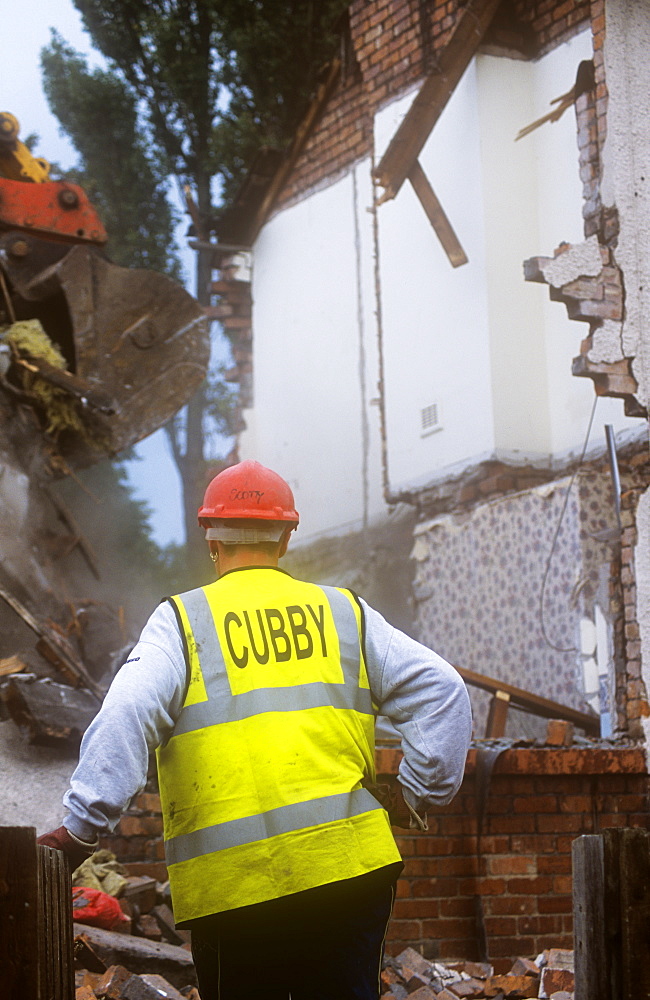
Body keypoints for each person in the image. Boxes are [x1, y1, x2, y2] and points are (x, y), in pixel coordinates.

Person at [39, 460, 472, 1000]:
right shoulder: (344, 614)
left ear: (211, 540)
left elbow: (127, 710)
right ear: (286, 538)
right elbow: (444, 691)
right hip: (349, 871)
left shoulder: (181, 622)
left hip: (235, 887)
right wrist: (418, 793)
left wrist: (82, 826)